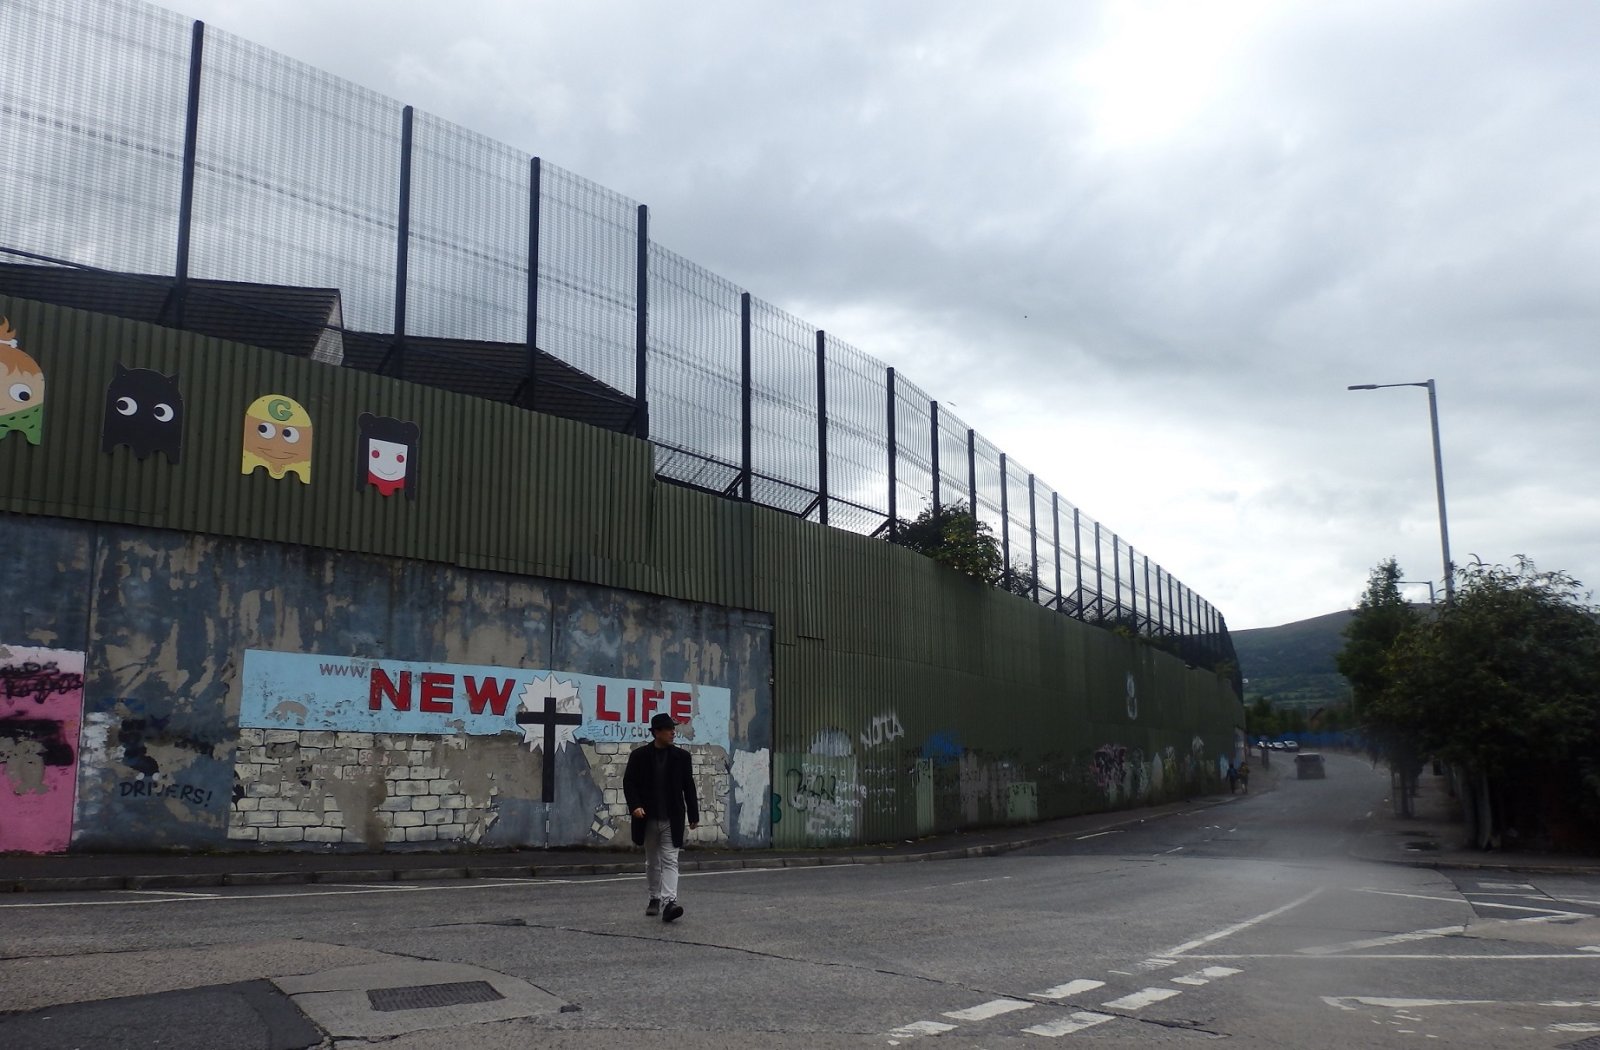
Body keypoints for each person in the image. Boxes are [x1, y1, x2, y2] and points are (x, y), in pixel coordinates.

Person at [623, 713, 700, 923]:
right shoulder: (639, 756)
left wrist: (693, 814)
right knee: (652, 862)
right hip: (647, 818)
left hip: (672, 818)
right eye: (668, 729)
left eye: (673, 728)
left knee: (670, 860)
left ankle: (669, 903)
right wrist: (635, 806)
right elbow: (629, 783)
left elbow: (688, 787)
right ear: (656, 732)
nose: (673, 732)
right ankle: (654, 898)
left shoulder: (682, 758)